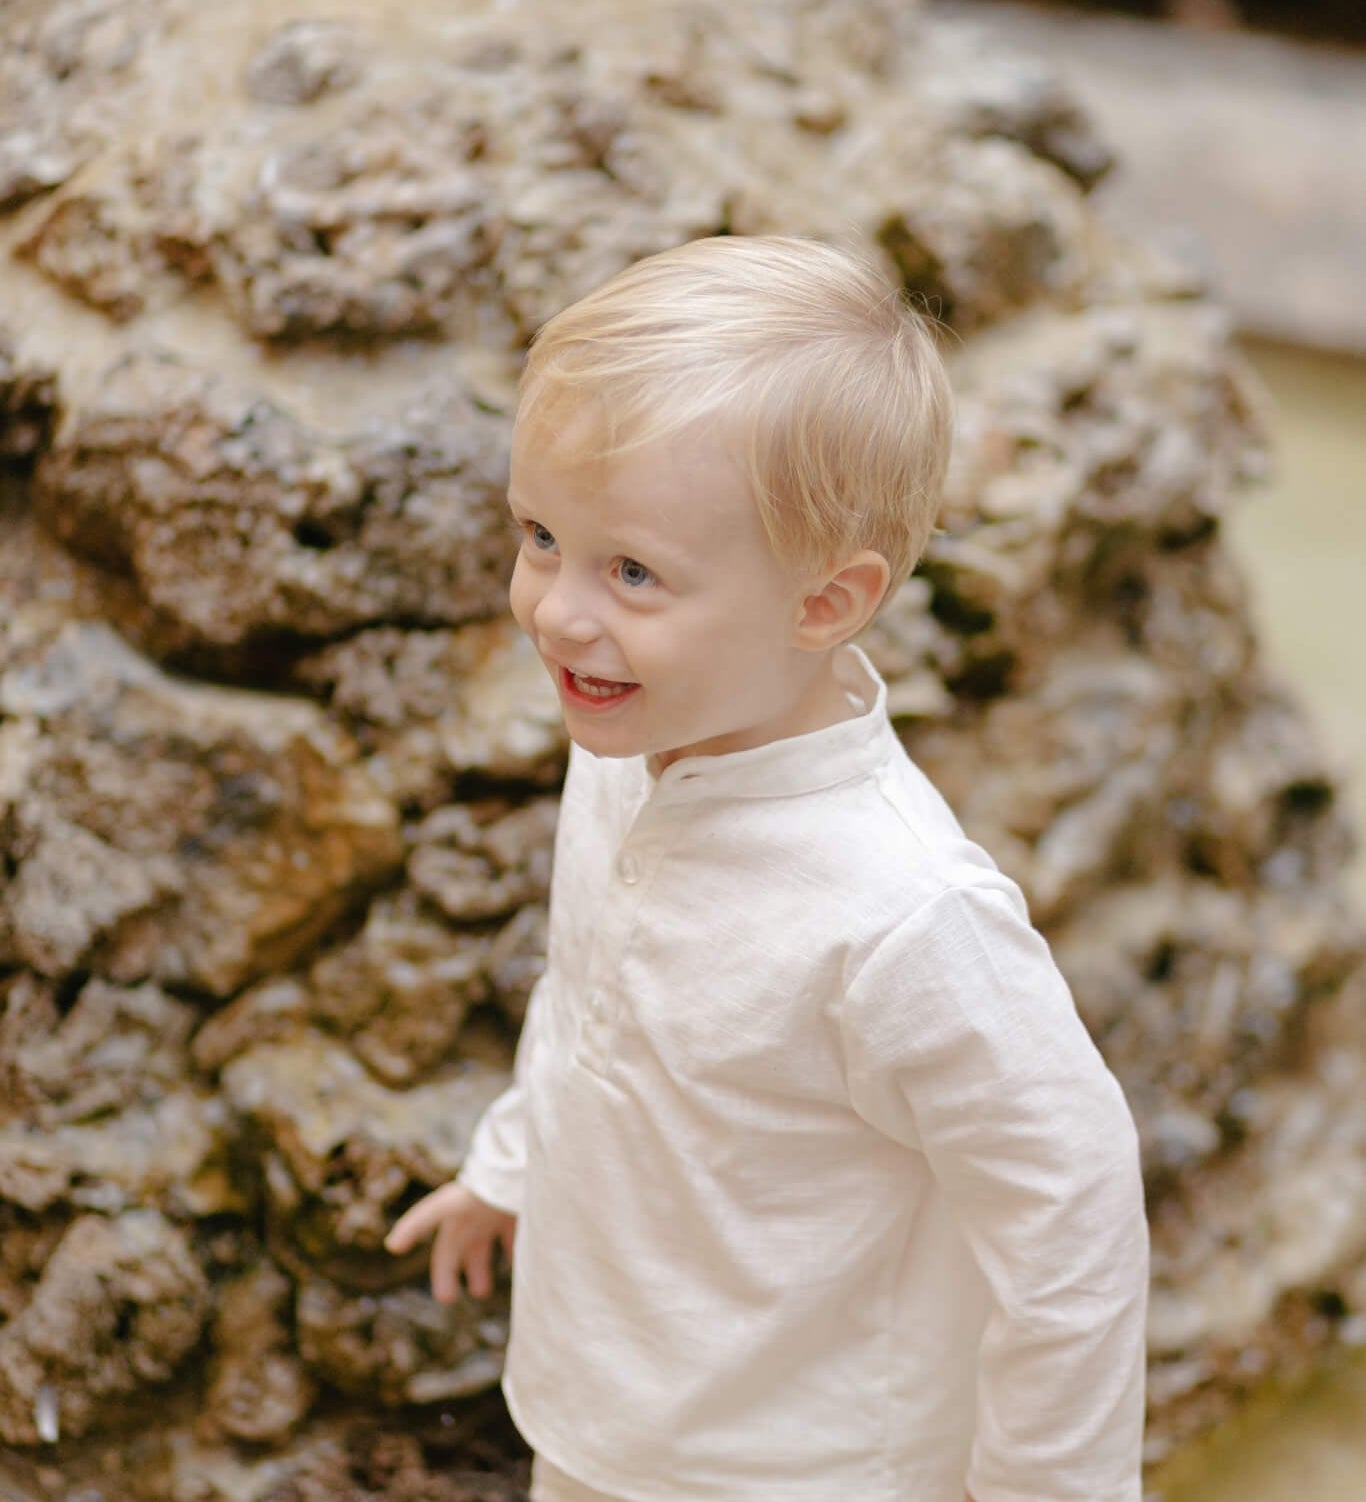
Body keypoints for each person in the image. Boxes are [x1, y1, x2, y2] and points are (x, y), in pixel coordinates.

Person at [385, 235, 1149, 1502]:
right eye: (539, 535)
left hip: (805, 1458)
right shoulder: (632, 749)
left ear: (824, 603)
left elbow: (1067, 1207)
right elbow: (588, 995)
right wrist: (512, 1160)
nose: (558, 611)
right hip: (598, 1408)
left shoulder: (904, 914)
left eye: (632, 571)